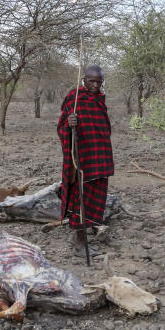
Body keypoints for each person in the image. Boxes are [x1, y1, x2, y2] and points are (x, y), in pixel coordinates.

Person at [57, 65, 113, 256]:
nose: (96, 85)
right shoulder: (75, 98)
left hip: (99, 155)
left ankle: (82, 237)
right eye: (92, 81)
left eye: (99, 81)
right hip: (82, 158)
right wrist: (69, 124)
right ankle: (81, 245)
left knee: (94, 198)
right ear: (84, 80)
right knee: (80, 198)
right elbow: (61, 127)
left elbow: (105, 126)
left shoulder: (99, 99)